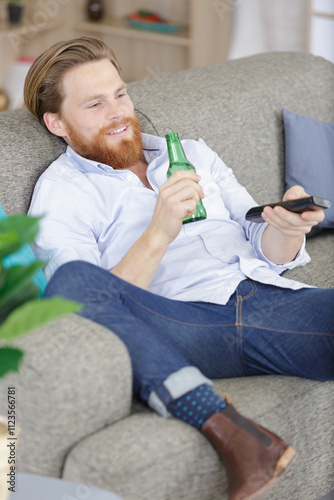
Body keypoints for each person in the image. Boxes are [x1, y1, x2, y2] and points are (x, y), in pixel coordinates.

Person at [24, 37, 334, 500]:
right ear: (57, 123)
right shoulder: (63, 192)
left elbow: (261, 241)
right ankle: (221, 422)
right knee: (71, 284)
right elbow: (86, 312)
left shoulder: (192, 152)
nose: (117, 112)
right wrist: (159, 230)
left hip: (269, 303)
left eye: (120, 94)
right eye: (94, 103)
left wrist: (288, 228)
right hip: (183, 324)